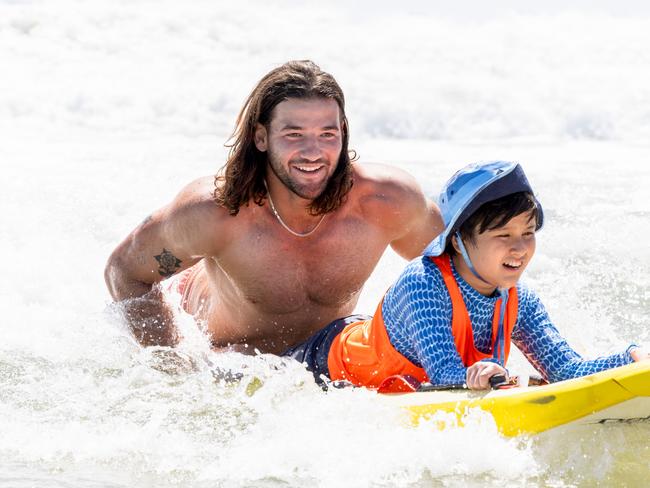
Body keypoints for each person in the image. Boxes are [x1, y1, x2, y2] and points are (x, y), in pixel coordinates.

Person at [104, 60, 444, 354]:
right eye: (294, 134)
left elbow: (463, 270)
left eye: (327, 134)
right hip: (225, 355)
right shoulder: (215, 212)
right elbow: (124, 272)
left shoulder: (387, 202)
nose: (313, 152)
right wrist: (173, 364)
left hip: (323, 356)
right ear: (261, 137)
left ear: (343, 132)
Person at [286, 161, 649, 389]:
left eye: (527, 233)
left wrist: (632, 358)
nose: (520, 248)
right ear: (458, 242)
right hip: (321, 367)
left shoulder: (522, 302)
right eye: (502, 236)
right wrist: (481, 377)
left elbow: (566, 370)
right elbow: (446, 376)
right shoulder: (423, 284)